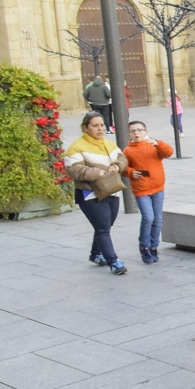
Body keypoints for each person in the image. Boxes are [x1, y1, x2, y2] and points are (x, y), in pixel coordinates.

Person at [66, 112, 129, 275]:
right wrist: (97, 172)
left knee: (105, 225)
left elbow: (123, 158)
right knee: (102, 228)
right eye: (95, 125)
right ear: (85, 128)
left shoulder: (109, 144)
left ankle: (95, 254)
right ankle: (113, 261)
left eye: (101, 125)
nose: (100, 129)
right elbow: (74, 169)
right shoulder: (76, 147)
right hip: (89, 194)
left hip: (111, 190)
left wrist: (117, 166)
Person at [124, 121, 174, 264]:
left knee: (158, 219)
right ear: (129, 134)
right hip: (141, 189)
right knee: (148, 218)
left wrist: (158, 143)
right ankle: (144, 246)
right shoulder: (128, 150)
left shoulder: (153, 145)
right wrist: (131, 172)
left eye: (140, 130)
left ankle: (153, 246)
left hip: (158, 187)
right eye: (133, 131)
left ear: (146, 132)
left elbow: (169, 152)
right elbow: (123, 168)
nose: (136, 133)